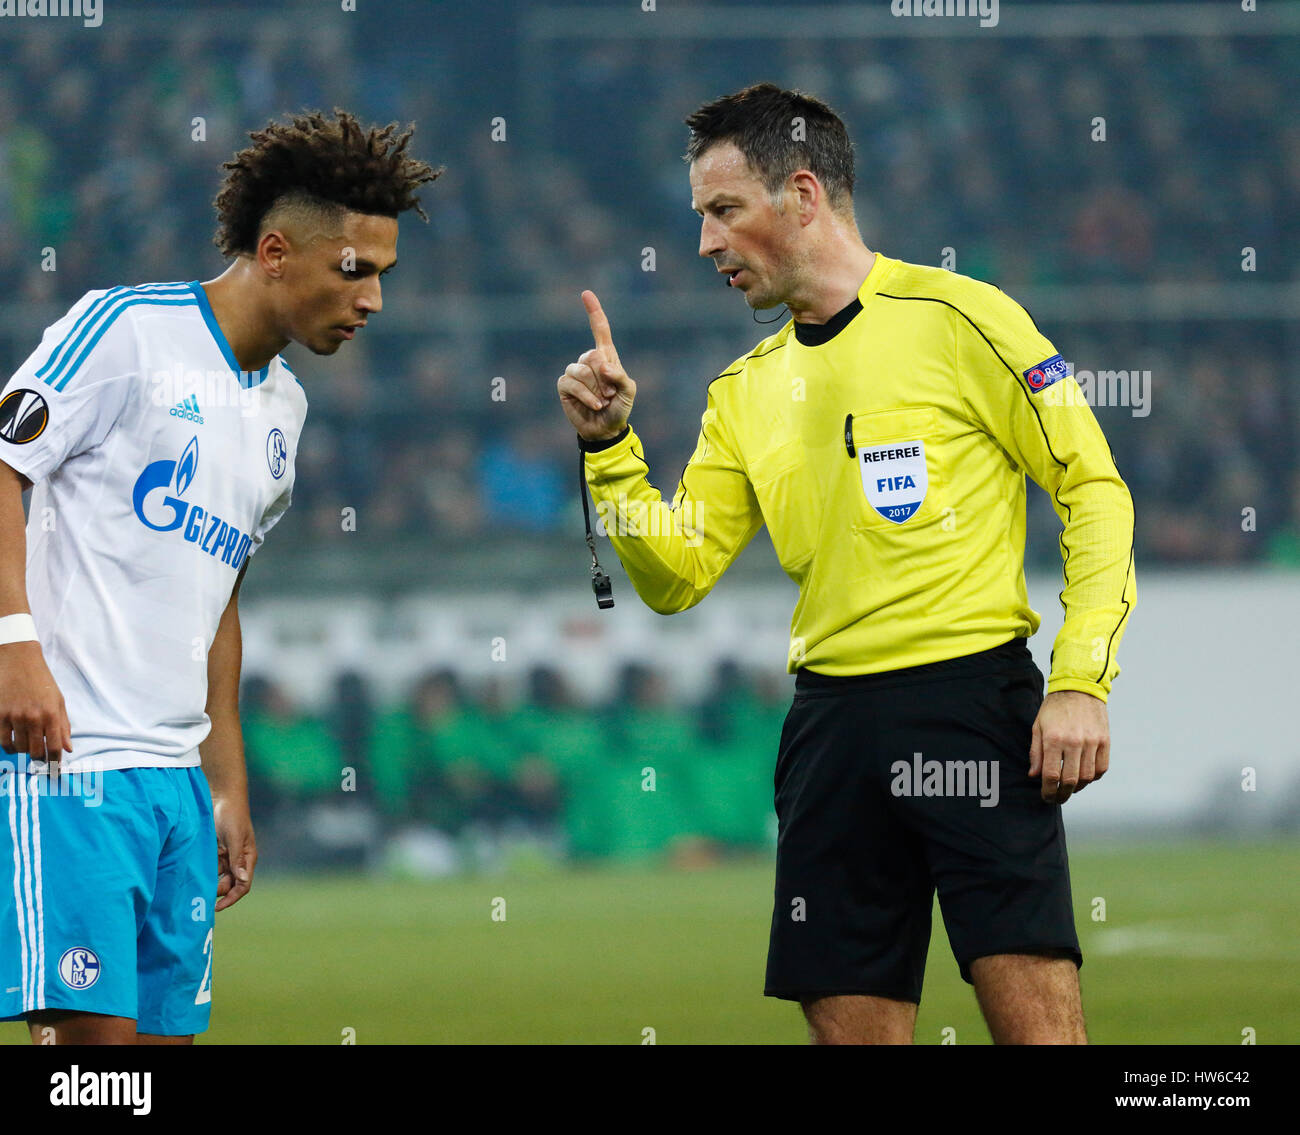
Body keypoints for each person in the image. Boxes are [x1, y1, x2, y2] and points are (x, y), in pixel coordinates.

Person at [556, 83, 1136, 1044]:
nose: (705, 244)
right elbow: (675, 575)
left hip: (974, 710)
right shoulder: (742, 391)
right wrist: (614, 449)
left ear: (805, 194)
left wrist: (1081, 680)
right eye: (700, 216)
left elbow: (1095, 488)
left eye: (723, 211)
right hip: (830, 729)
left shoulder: (965, 318)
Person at [0, 109, 440, 1044]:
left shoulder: (285, 408)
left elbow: (219, 594)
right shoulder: (123, 330)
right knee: (94, 1066)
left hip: (173, 781)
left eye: (383, 278)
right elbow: (1, 461)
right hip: (68, 766)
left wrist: (226, 782)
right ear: (275, 251)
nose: (371, 300)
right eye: (352, 270)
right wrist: (14, 646)